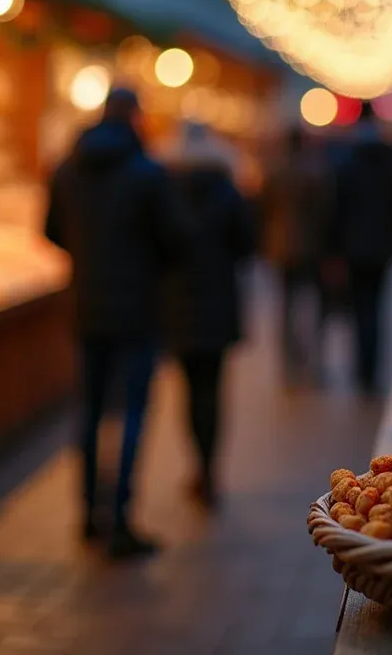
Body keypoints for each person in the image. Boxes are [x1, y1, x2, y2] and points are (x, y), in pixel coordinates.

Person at [44, 88, 183, 560]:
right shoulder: (148, 172)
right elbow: (173, 239)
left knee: (89, 410)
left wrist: (87, 256)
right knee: (131, 415)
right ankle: (120, 519)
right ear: (136, 117)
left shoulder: (67, 168)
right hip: (138, 309)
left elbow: (49, 230)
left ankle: (87, 514)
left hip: (86, 306)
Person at [159, 123, 255, 509]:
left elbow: (159, 244)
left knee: (188, 388)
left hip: (177, 303)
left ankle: (196, 467)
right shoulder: (229, 191)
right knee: (212, 390)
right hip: (218, 301)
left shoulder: (165, 190)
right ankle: (210, 469)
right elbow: (246, 246)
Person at [331, 103, 392, 393]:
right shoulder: (391, 161)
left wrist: (334, 248)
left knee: (359, 308)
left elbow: (336, 209)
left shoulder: (345, 162)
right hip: (384, 246)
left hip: (353, 247)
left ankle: (361, 371)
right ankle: (374, 368)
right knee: (378, 307)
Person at [261, 126, 333, 384]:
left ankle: (289, 361)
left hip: (280, 247)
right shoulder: (315, 171)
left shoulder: (274, 171)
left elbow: (263, 209)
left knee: (285, 305)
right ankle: (312, 361)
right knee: (313, 305)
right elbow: (324, 213)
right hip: (310, 246)